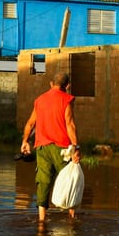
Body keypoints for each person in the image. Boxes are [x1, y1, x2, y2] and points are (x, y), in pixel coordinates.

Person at [20, 72, 79, 221]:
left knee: (43, 181)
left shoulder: (39, 100)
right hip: (62, 148)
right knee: (69, 179)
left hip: (42, 148)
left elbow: (30, 123)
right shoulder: (67, 99)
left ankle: (41, 219)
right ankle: (71, 215)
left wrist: (25, 141)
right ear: (68, 86)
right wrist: (76, 148)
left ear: (51, 84)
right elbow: (70, 125)